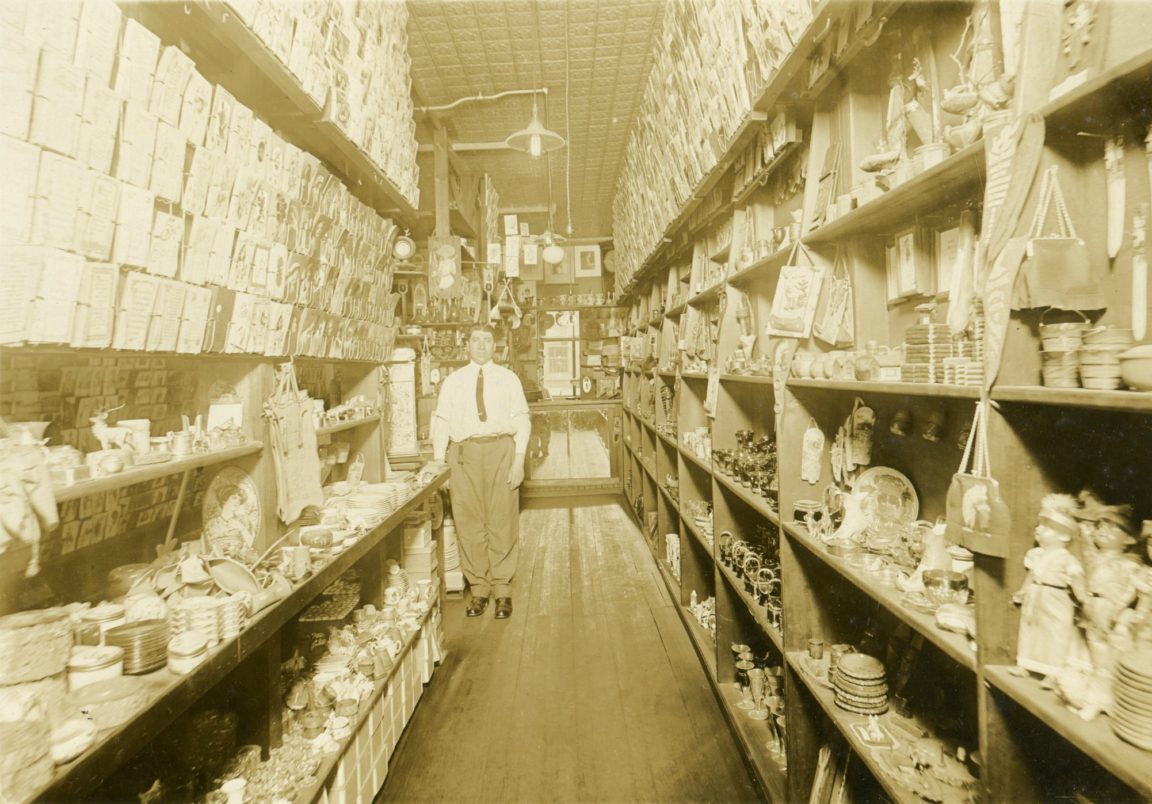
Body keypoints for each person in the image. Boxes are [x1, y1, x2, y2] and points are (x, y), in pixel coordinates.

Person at [421, 325, 530, 619]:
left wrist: (518, 461)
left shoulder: (509, 379)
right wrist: (439, 462)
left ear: (496, 346)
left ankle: (503, 590)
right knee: (468, 520)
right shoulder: (453, 382)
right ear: (466, 345)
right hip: (464, 454)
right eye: (476, 341)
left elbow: (522, 420)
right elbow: (442, 422)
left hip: (500, 450)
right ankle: (479, 589)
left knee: (502, 518)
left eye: (487, 341)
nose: (481, 346)